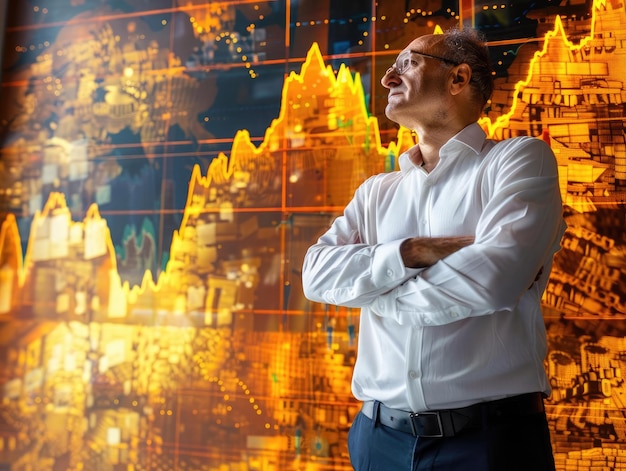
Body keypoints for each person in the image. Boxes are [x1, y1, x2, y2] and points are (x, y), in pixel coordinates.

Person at [302, 26, 566, 471]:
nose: (388, 79)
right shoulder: (375, 192)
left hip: (489, 444)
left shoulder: (517, 161)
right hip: (376, 440)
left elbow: (492, 280)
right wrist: (409, 253)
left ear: (458, 78)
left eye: (407, 62)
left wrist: (374, 291)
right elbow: (315, 275)